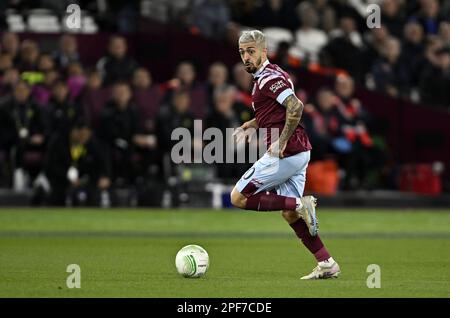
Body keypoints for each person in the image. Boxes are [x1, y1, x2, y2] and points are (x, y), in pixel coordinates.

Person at [230, 30, 340, 280]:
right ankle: (326, 262)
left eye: (251, 51)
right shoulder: (269, 75)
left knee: (238, 197)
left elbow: (295, 106)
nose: (246, 57)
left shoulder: (268, 78)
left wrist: (281, 141)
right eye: (242, 52)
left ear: (263, 51)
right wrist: (252, 124)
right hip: (299, 151)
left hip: (287, 152)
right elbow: (277, 111)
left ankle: (302, 203)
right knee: (289, 214)